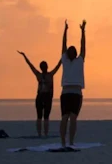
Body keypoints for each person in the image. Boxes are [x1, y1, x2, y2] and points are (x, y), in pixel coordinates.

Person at [17, 51, 62, 137]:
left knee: (40, 117)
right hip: (44, 97)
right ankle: (44, 134)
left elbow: (30, 65)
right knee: (44, 117)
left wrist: (24, 56)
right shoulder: (49, 75)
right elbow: (58, 65)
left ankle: (40, 134)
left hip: (42, 97)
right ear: (46, 67)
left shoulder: (40, 75)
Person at [60, 20, 86, 149]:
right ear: (75, 54)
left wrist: (65, 30)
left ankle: (64, 142)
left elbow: (63, 44)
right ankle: (70, 141)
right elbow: (83, 46)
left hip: (65, 92)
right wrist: (82, 31)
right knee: (73, 118)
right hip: (75, 92)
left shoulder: (64, 60)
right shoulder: (79, 60)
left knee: (64, 118)